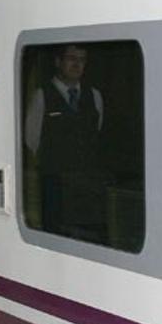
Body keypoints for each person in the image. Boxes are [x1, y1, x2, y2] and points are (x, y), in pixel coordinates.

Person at [24, 44, 106, 239]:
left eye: (82, 60)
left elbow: (98, 129)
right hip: (55, 184)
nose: (77, 64)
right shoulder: (42, 95)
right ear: (58, 62)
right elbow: (31, 138)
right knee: (56, 237)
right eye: (71, 58)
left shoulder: (94, 95)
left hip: (87, 184)